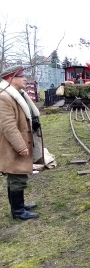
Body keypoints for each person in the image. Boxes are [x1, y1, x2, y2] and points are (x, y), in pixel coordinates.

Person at [0, 65, 40, 220]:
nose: (25, 79)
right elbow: (8, 125)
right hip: (13, 145)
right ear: (10, 78)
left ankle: (19, 206)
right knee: (17, 176)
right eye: (21, 76)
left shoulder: (16, 94)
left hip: (18, 142)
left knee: (16, 176)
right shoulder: (4, 96)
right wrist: (20, 146)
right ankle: (18, 211)